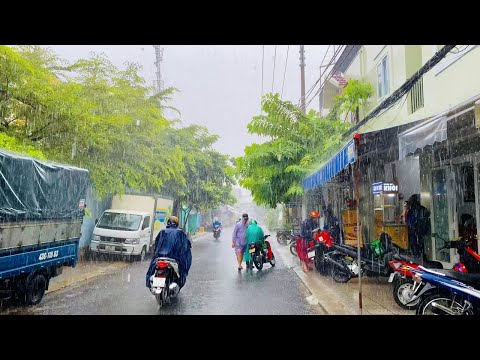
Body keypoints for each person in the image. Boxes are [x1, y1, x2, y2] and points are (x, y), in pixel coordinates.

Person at [145, 215, 192, 290]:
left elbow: (156, 245)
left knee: (152, 268)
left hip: (160, 257)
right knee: (182, 269)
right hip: (174, 258)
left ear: (168, 223)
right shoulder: (180, 233)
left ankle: (150, 283)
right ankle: (178, 283)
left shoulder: (162, 232)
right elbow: (186, 246)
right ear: (176, 223)